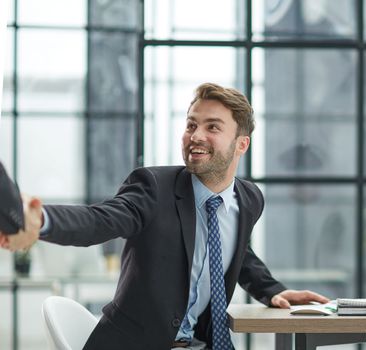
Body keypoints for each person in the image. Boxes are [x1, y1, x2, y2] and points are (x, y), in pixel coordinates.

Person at [0, 82, 329, 350]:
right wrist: (39, 220)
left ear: (241, 144)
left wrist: (272, 290)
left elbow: (235, 252)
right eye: (191, 124)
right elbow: (99, 219)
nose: (196, 136)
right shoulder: (153, 187)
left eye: (212, 127)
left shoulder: (249, 199)